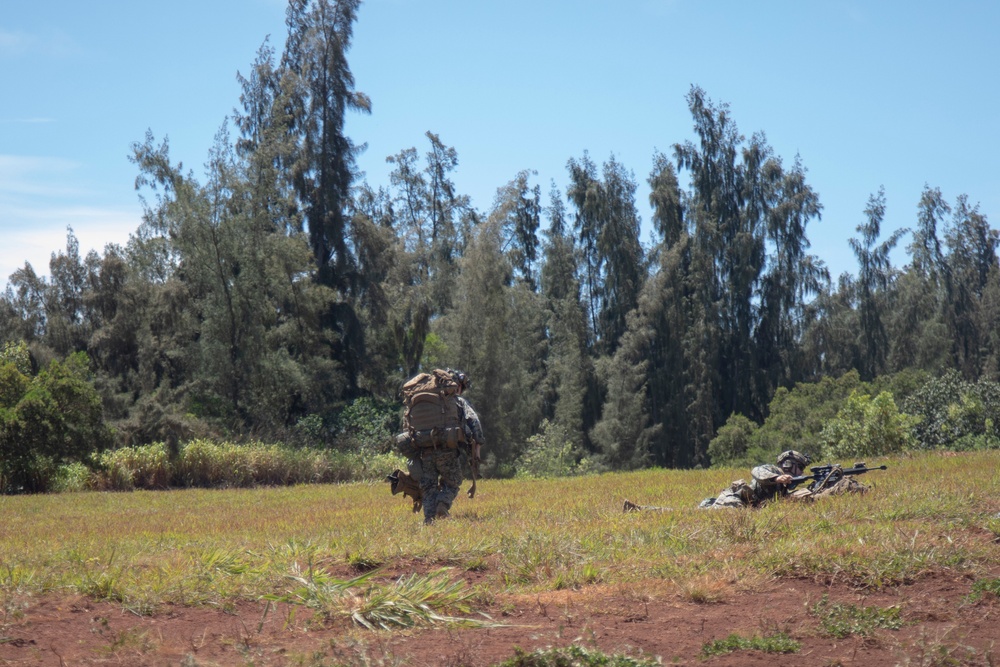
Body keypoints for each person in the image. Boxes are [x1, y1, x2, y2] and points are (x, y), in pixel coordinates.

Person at [417, 369, 483, 525]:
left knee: (428, 486)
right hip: (447, 449)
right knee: (453, 481)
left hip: (424, 448)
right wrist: (478, 447)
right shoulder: (457, 401)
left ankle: (429, 520)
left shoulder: (426, 400)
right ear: (457, 386)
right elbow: (474, 422)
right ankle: (442, 504)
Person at [698, 450, 810, 509]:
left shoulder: (784, 487)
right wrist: (777, 478)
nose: (801, 472)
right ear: (788, 464)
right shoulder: (772, 470)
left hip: (748, 507)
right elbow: (757, 471)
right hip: (734, 500)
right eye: (800, 468)